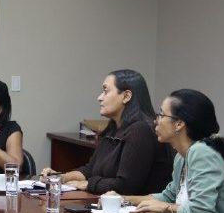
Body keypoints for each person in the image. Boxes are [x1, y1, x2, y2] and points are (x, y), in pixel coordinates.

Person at [40, 69, 172, 194]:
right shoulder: (113, 128)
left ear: (126, 96)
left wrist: (88, 184)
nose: (99, 97)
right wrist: (61, 177)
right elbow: (90, 170)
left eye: (105, 91)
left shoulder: (141, 130)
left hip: (138, 208)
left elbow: (126, 186)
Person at [122, 89, 224, 213]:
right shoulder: (181, 157)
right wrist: (123, 199)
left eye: (161, 115)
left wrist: (164, 208)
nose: (155, 121)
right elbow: (168, 196)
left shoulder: (201, 152)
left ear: (179, 124)